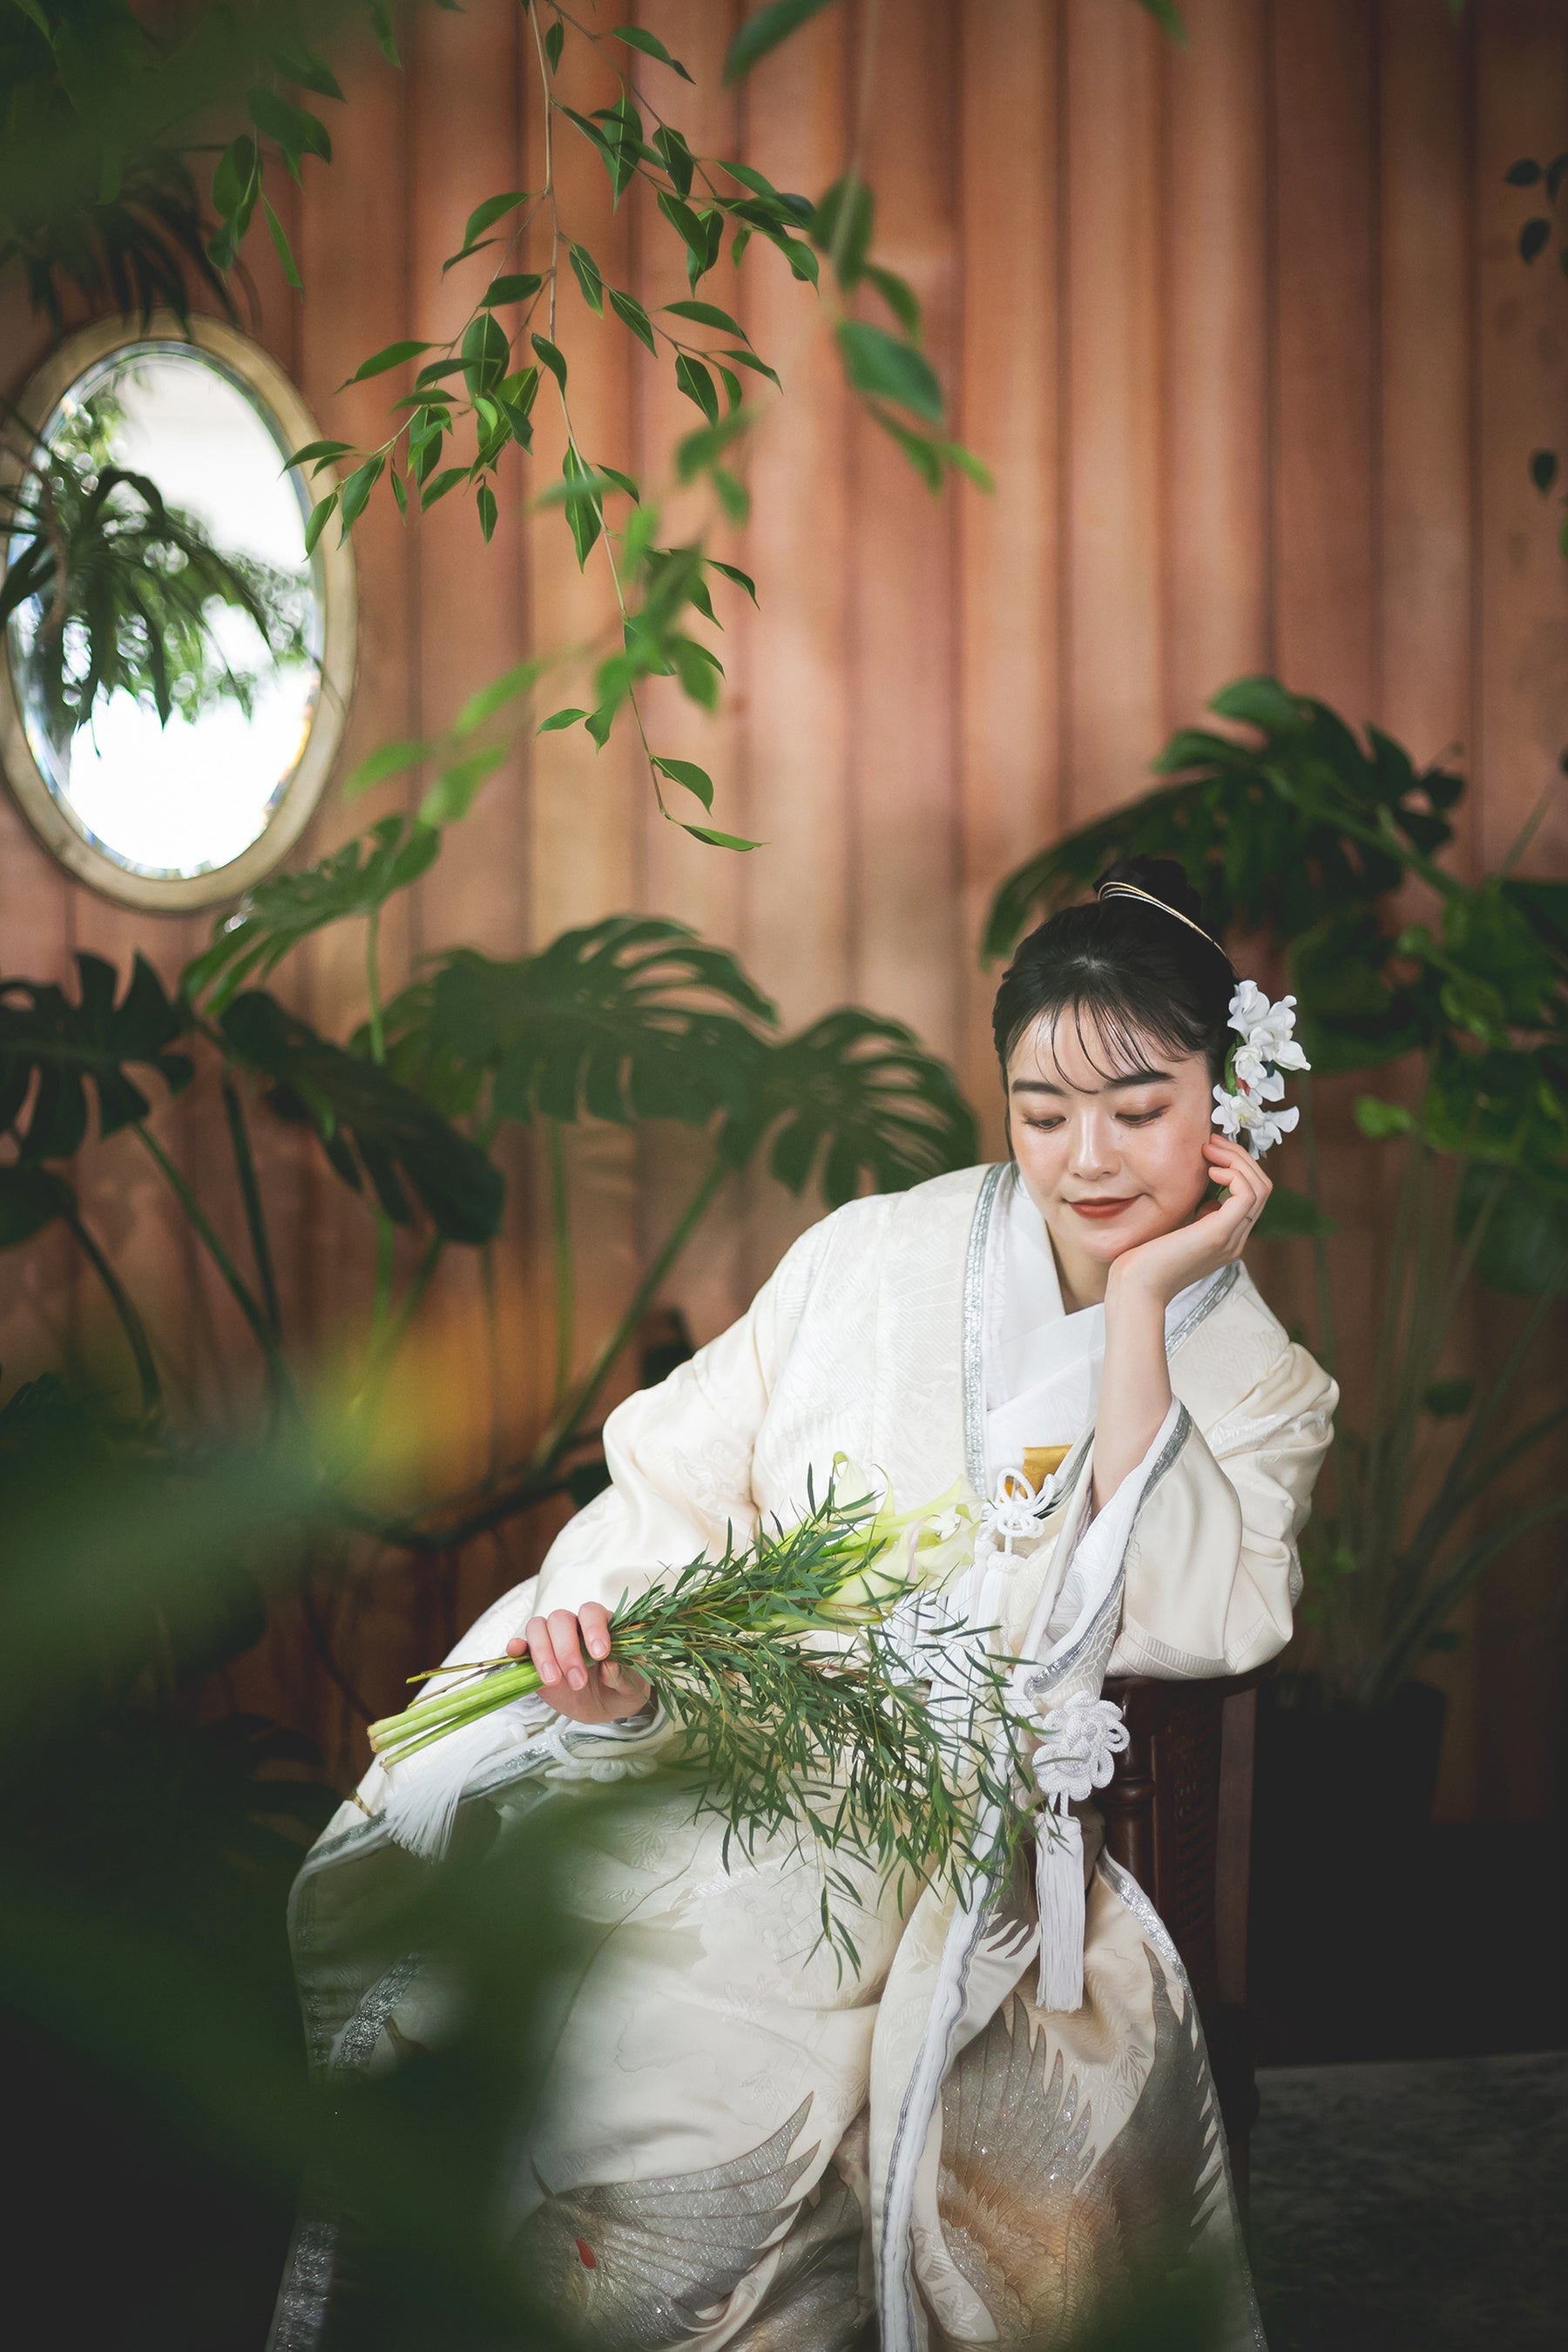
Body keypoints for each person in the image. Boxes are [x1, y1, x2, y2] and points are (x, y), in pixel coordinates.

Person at [270, 859, 1335, 2352]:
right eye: (1042, 1114)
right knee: (520, 1937)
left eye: (1139, 1109)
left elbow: (1206, 1616)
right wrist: (615, 1656)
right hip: (737, 1733)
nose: (1086, 1160)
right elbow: (677, 1478)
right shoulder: (871, 1256)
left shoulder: (1265, 1385)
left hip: (958, 1814)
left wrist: (1145, 1307)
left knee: (666, 2035)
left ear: (1226, 1105)